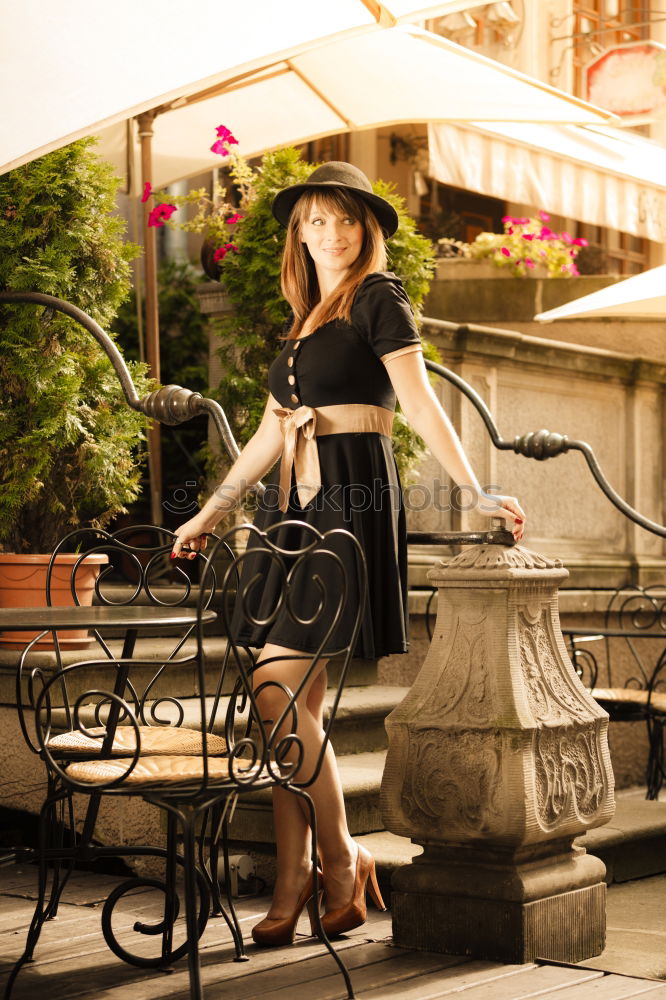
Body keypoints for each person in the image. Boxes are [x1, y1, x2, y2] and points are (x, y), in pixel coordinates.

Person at [172, 161, 525, 946]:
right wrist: (208, 512)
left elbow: (421, 398)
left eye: (344, 219)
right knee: (296, 709)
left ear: (366, 230)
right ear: (298, 232)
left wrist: (472, 491)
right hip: (289, 513)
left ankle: (338, 860)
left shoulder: (377, 298)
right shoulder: (302, 320)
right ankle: (301, 880)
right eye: (315, 220)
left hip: (346, 510)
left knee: (273, 688)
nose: (330, 232)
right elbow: (272, 431)